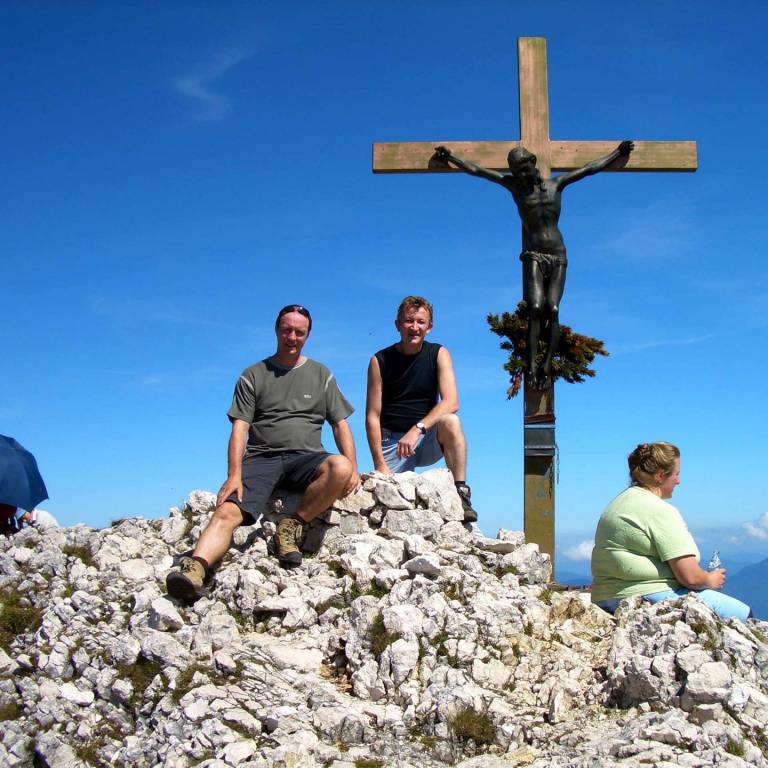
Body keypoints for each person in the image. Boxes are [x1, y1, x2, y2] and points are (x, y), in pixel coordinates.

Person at [166, 304, 360, 603]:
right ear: (276, 330)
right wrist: (234, 475)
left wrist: (354, 467)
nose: (292, 337)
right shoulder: (253, 375)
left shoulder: (322, 374)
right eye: (286, 330)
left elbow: (340, 423)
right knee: (227, 511)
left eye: (299, 332)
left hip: (307, 457)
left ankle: (291, 526)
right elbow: (240, 428)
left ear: (308, 335)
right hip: (262, 458)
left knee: (341, 467)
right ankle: (195, 569)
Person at [433, 141, 634, 389]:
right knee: (536, 307)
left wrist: (618, 153)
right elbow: (479, 171)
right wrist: (451, 157)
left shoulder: (557, 184)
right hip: (534, 255)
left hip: (558, 254)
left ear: (532, 162)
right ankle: (532, 365)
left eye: (523, 167)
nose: (520, 173)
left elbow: (590, 168)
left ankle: (547, 364)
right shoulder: (515, 188)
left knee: (553, 309)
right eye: (515, 170)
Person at [591, 442, 752, 621]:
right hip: (645, 595)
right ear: (661, 476)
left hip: (604, 598)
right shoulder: (658, 510)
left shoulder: (616, 505)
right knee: (745, 615)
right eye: (676, 474)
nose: (678, 481)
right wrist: (710, 579)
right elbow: (690, 577)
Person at [365, 296, 477, 523]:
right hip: (393, 442)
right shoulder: (380, 360)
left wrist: (417, 429)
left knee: (451, 421)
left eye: (420, 322)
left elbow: (451, 402)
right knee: (387, 511)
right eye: (409, 321)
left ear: (429, 327)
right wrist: (379, 464)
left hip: (426, 437)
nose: (414, 327)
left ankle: (460, 494)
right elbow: (372, 416)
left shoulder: (438, 353)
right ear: (398, 325)